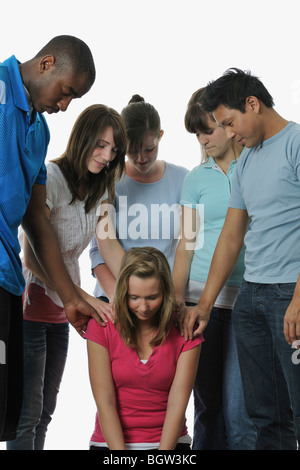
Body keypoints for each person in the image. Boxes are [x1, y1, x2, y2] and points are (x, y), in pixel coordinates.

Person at [184, 68, 300, 450]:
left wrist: (299, 299)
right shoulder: (246, 161)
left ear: (253, 103)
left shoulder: (296, 144)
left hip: (290, 296)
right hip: (252, 298)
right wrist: (203, 303)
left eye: (230, 122)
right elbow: (232, 237)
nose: (230, 134)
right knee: (264, 416)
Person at [6, 104, 127, 450]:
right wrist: (86, 298)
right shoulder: (51, 178)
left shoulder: (104, 187)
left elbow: (108, 246)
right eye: (101, 145)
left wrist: (137, 289)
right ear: (82, 137)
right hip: (31, 306)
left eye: (114, 150)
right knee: (26, 416)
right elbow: (32, 254)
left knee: (45, 412)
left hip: (63, 312)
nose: (106, 156)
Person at [0, 35, 98, 443]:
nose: (64, 107)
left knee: (9, 414)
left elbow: (36, 222)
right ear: (46, 64)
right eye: (66, 92)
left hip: (7, 279)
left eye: (72, 99)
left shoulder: (38, 132)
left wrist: (72, 296)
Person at [172, 87, 256, 450]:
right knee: (207, 408)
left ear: (226, 121)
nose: (203, 139)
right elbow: (186, 243)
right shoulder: (196, 179)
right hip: (198, 303)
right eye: (197, 133)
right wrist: (177, 298)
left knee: (241, 411)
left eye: (208, 129)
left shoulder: (254, 164)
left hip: (247, 301)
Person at [84, 246, 203, 450]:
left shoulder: (185, 329)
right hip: (111, 444)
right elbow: (106, 402)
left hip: (168, 444)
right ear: (123, 292)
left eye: (152, 297)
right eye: (134, 297)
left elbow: (177, 404)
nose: (143, 307)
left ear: (166, 292)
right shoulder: (102, 326)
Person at [89, 94, 188, 302]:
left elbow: (191, 243)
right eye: (132, 151)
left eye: (149, 149)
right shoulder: (107, 181)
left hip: (162, 299)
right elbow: (98, 251)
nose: (141, 159)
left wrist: (169, 297)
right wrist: (122, 297)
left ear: (161, 135)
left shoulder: (183, 179)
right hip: (114, 295)